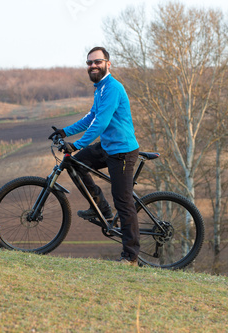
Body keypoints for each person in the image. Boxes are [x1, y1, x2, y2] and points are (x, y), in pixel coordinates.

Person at [48, 46, 140, 265]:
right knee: (75, 164)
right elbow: (91, 117)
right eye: (89, 63)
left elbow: (101, 122)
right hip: (108, 147)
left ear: (108, 63)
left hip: (123, 152)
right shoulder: (99, 88)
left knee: (124, 201)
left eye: (97, 62)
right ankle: (101, 209)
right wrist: (65, 131)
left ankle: (131, 256)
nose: (93, 66)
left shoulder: (112, 88)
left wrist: (77, 144)